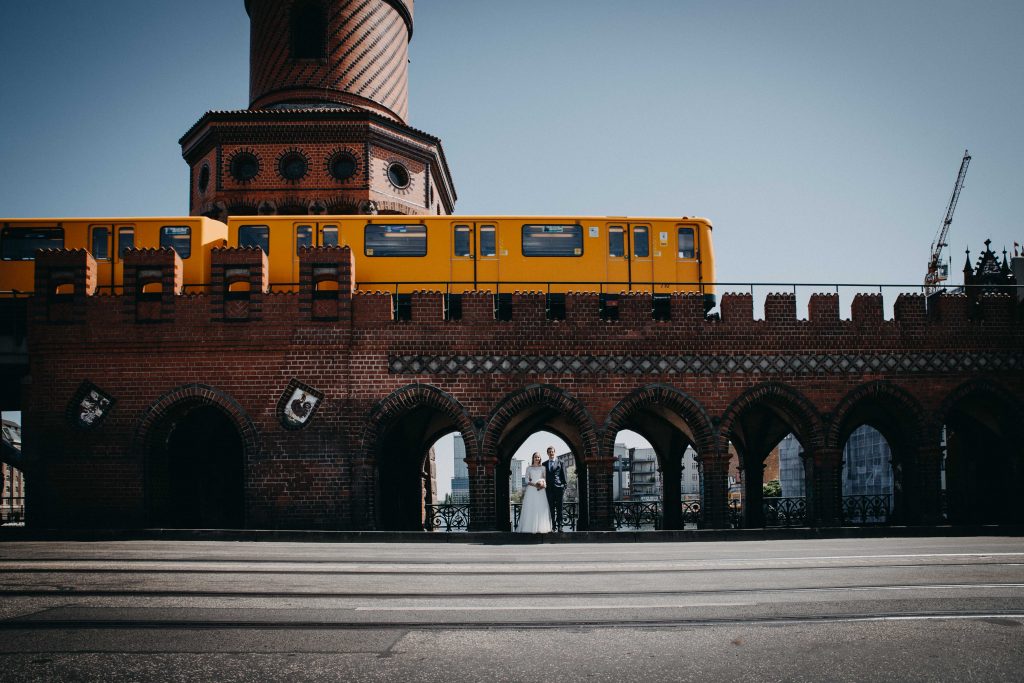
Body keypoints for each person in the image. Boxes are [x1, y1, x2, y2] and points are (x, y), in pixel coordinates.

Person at [515, 453, 552, 533]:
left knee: (540, 507)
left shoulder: (543, 468)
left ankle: (540, 527)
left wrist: (542, 483)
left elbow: (544, 478)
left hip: (541, 490)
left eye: (538, 457)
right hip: (531, 490)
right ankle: (528, 527)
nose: (537, 458)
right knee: (531, 507)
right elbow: (526, 480)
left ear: (540, 458)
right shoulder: (529, 468)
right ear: (533, 458)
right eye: (535, 457)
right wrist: (535, 485)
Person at [544, 446, 568, 530]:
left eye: (552, 452)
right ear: (547, 453)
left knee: (559, 508)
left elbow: (564, 476)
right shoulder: (544, 464)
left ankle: (560, 526)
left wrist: (563, 487)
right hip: (549, 489)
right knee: (551, 508)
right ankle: (553, 525)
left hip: (559, 488)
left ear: (554, 452)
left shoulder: (560, 462)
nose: (551, 453)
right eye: (549, 452)